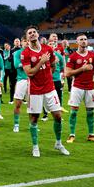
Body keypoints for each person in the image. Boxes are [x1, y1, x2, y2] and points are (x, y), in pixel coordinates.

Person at [21, 26, 69, 158]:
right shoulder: (25, 53)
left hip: (50, 89)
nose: (32, 34)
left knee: (58, 116)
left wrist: (47, 74)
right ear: (27, 37)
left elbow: (53, 65)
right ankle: (35, 146)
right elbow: (29, 72)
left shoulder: (48, 49)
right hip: (35, 90)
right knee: (34, 118)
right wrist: (41, 62)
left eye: (34, 32)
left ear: (38, 34)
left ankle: (58, 143)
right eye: (29, 33)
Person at [65, 34, 94, 144]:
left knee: (91, 112)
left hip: (90, 88)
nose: (84, 41)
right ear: (77, 42)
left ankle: (91, 135)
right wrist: (82, 68)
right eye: (81, 39)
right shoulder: (73, 57)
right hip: (77, 87)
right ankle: (71, 135)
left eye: (85, 39)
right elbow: (68, 73)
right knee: (73, 112)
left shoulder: (92, 55)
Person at [12, 36, 28, 133]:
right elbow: (16, 65)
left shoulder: (34, 52)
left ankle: (33, 125)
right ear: (21, 42)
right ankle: (16, 124)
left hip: (33, 80)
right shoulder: (17, 53)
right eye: (25, 41)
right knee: (18, 103)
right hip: (22, 80)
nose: (26, 43)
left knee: (32, 105)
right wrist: (30, 64)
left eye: (28, 41)